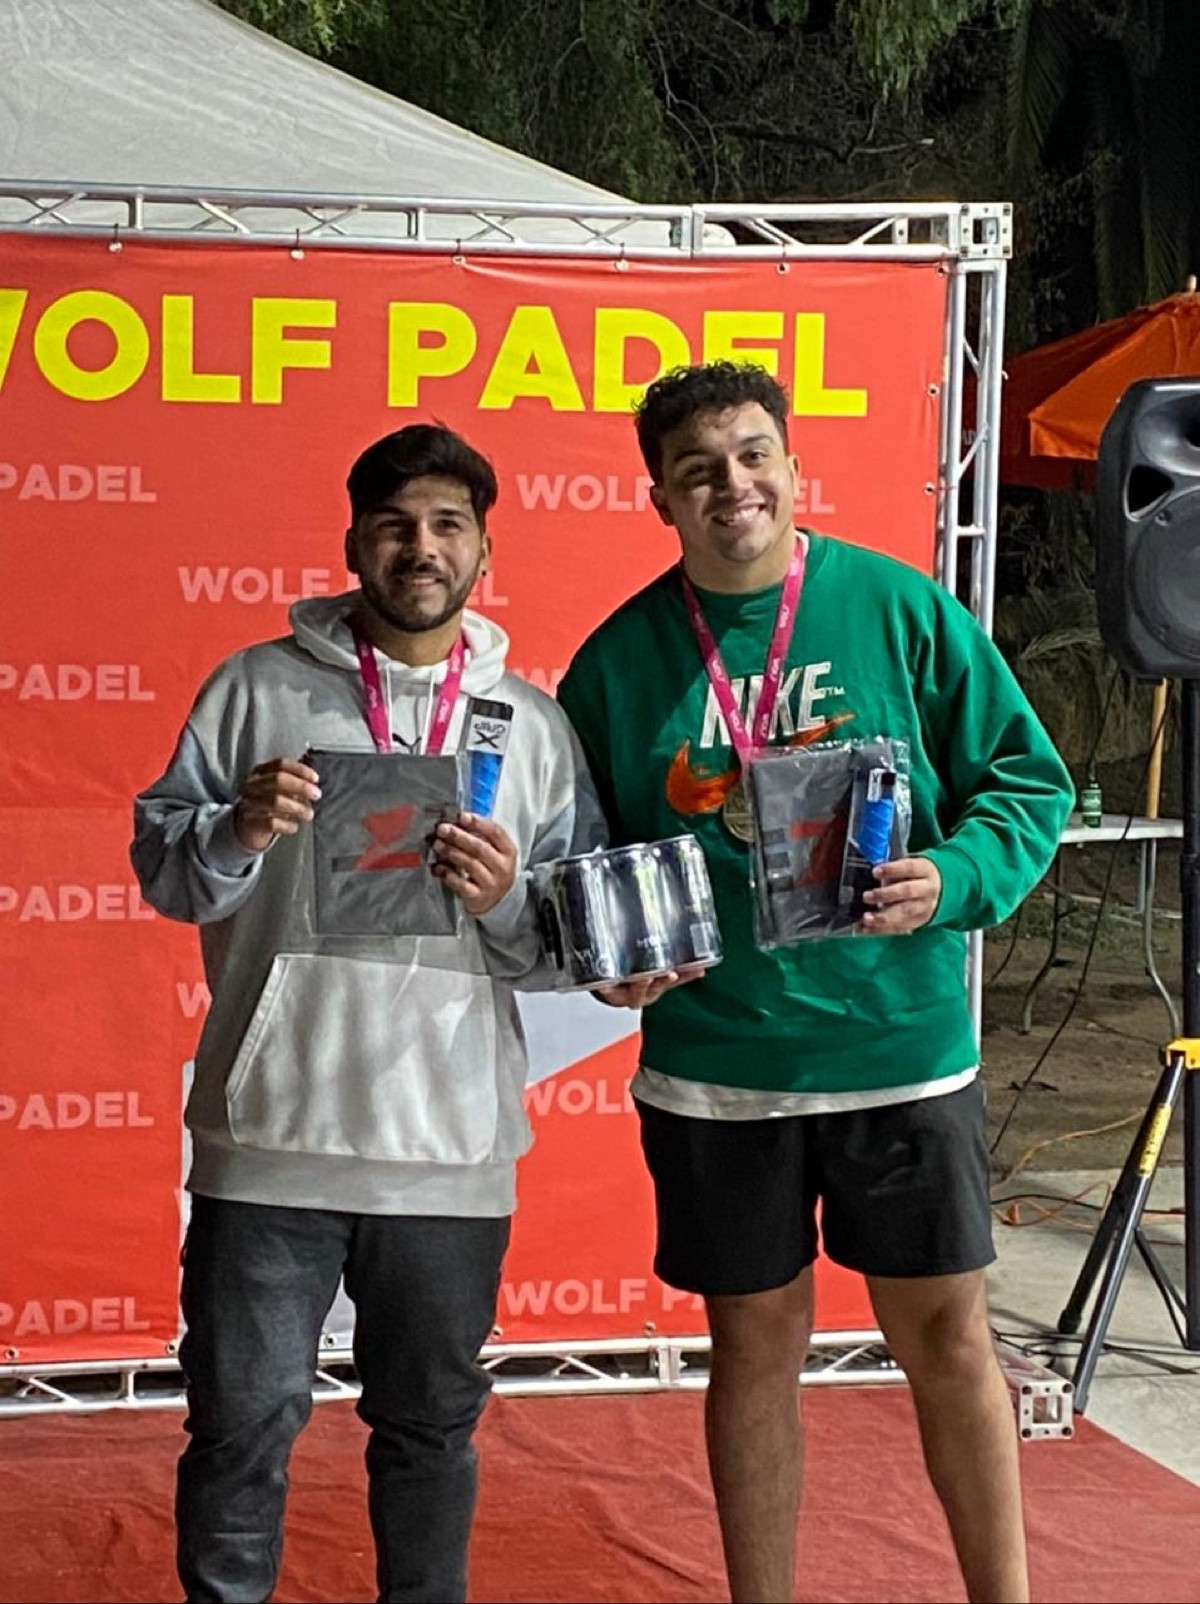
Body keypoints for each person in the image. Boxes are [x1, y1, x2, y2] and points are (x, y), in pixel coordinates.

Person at [557, 361, 1073, 1604]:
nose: (730, 484)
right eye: (697, 470)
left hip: (898, 1048)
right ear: (661, 500)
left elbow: (1027, 780)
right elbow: (582, 853)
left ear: (795, 468)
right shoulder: (618, 661)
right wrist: (612, 956)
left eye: (752, 456)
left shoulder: (899, 609)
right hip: (718, 1067)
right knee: (753, 1345)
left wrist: (953, 877)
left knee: (949, 1338)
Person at [132, 423, 601, 1604]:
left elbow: (567, 941)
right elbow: (165, 871)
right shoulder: (255, 689)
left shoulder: (531, 724)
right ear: (353, 542)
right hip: (269, 1139)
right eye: (394, 524)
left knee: (430, 1433)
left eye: (447, 525)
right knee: (238, 1427)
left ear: (485, 550)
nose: (420, 547)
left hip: (448, 1149)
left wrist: (505, 900)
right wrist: (236, 828)